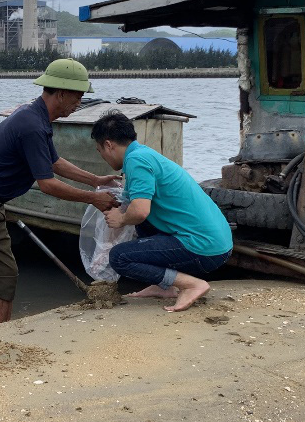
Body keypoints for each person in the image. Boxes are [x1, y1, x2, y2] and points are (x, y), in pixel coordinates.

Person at [0, 59, 117, 339]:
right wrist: (92, 199)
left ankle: (3, 335)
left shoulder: (38, 118)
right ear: (60, 94)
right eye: (78, 96)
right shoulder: (32, 124)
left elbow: (55, 162)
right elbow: (47, 184)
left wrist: (96, 180)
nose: (79, 103)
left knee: (6, 275)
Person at [91, 109, 232, 312]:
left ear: (108, 145)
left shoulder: (136, 161)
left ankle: (191, 284)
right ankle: (163, 286)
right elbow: (133, 203)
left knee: (119, 257)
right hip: (217, 242)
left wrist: (120, 219)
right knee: (144, 222)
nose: (102, 156)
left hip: (206, 249)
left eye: (100, 150)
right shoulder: (143, 154)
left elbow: (139, 211)